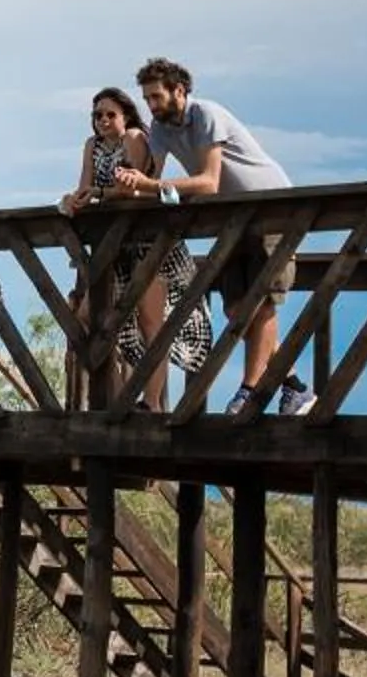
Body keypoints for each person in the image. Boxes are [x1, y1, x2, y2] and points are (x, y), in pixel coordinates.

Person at [118, 57, 313, 415]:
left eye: (157, 97)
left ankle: (249, 393)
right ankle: (294, 386)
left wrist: (151, 185)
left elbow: (208, 182)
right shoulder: (161, 129)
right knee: (236, 307)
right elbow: (152, 178)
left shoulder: (207, 114)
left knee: (261, 301)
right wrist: (127, 187)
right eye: (146, 99)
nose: (151, 105)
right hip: (235, 217)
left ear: (180, 91)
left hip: (273, 209)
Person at [63, 87, 214, 405]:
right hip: (112, 248)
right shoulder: (92, 145)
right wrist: (74, 198)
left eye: (109, 114)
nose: (102, 120)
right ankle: (120, 399)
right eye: (97, 115)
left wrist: (95, 194)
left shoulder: (134, 137)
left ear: (126, 115)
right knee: (87, 319)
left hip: (148, 242)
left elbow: (127, 187)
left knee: (151, 324)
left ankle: (151, 403)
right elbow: (84, 187)